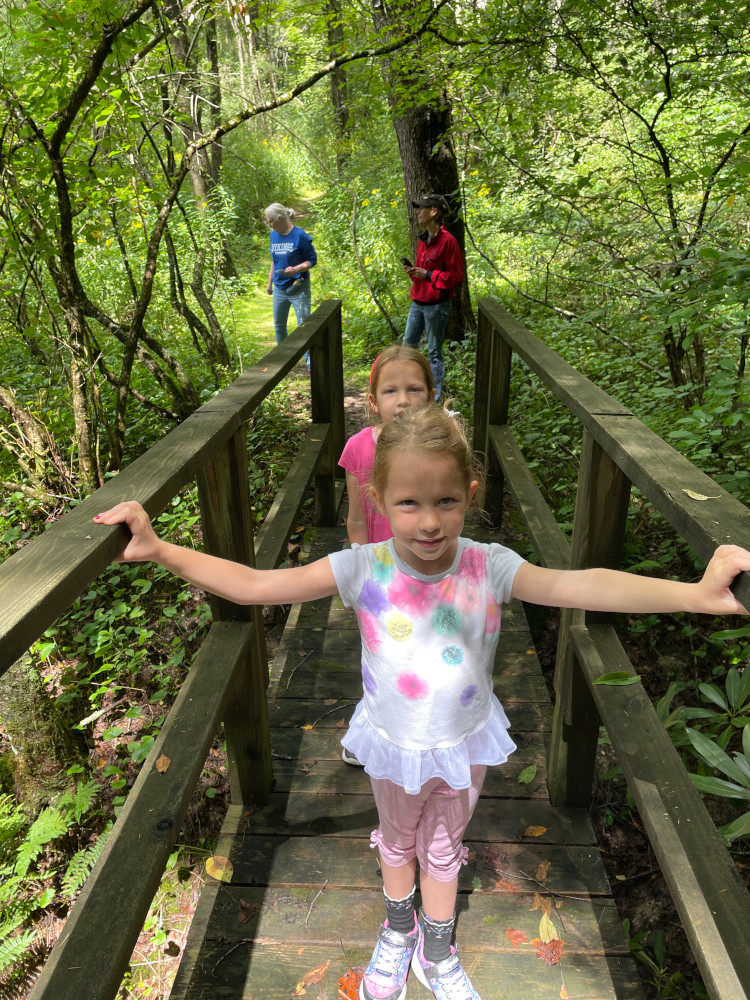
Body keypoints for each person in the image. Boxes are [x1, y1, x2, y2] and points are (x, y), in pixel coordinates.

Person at [93, 408, 749, 1000]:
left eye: (444, 501)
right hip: (394, 743)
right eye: (408, 503)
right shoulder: (362, 568)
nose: (429, 521)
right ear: (379, 499)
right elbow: (259, 584)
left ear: (469, 495)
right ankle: (397, 931)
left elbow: (582, 583)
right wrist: (160, 549)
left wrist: (695, 593)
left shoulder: (488, 566)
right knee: (399, 842)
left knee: (445, 846)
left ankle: (438, 951)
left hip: (463, 743)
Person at [340, 346, 435, 547]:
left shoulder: (440, 446)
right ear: (374, 401)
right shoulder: (358, 448)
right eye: (390, 391)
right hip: (381, 565)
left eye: (414, 389)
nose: (403, 401)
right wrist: (365, 563)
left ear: (430, 397)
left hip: (431, 559)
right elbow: (357, 519)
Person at [402, 196, 464, 402]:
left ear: (434, 212)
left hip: (436, 306)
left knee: (434, 352)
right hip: (417, 302)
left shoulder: (449, 242)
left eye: (422, 209)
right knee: (407, 347)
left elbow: (455, 277)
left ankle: (433, 400)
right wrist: (413, 271)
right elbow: (422, 274)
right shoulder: (423, 240)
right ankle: (406, 391)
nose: (418, 212)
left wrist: (428, 274)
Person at [265, 203, 317, 352]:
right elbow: (274, 261)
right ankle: (282, 359)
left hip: (298, 287)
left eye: (270, 221)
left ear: (280, 219)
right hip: (279, 289)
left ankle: (309, 362)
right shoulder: (273, 235)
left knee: (304, 326)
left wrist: (296, 269)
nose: (268, 224)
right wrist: (270, 284)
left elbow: (312, 260)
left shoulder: (299, 235)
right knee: (279, 326)